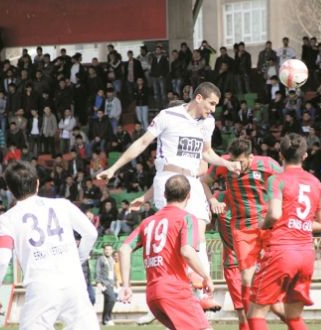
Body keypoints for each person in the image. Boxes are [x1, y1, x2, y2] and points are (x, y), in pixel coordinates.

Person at [97, 82, 241, 309]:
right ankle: (182, 291)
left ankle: (201, 291)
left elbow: (207, 153)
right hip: (169, 179)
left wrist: (226, 164)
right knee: (178, 235)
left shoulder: (208, 123)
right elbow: (142, 142)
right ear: (199, 98)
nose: (213, 109)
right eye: (211, 103)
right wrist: (114, 169)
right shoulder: (168, 115)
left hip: (193, 180)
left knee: (199, 231)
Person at [0, 161, 99, 330]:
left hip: (41, 286)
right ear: (37, 183)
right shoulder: (62, 205)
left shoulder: (7, 219)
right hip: (74, 283)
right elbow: (91, 233)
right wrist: (79, 258)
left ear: (10, 189)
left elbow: (2, 259)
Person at [247, 133, 321, 330]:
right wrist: (297, 223)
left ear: (281, 155)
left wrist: (262, 224)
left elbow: (274, 214)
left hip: (281, 251)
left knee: (255, 313)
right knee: (293, 317)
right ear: (305, 156)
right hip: (306, 254)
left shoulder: (277, 180)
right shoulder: (316, 184)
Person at [202, 138, 284, 321]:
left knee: (275, 288)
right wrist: (212, 201)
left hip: (267, 226)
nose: (236, 167)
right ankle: (253, 321)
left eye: (240, 162)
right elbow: (204, 181)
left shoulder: (267, 165)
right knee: (247, 280)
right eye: (233, 162)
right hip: (242, 228)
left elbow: (287, 182)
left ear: (251, 157)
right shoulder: (223, 165)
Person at [118, 175, 213, 330]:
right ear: (189, 195)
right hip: (174, 290)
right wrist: (206, 276)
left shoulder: (147, 222)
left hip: (153, 295)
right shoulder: (187, 218)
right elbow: (187, 251)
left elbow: (123, 249)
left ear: (164, 195)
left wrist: (126, 285)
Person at [96, 244, 118, 326]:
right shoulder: (101, 259)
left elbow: (114, 272)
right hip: (104, 283)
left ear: (112, 251)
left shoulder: (112, 259)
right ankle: (108, 318)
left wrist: (117, 282)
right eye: (106, 249)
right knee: (112, 299)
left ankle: (105, 320)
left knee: (107, 301)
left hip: (111, 283)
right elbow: (97, 271)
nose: (108, 251)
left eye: (109, 249)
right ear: (104, 250)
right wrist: (98, 282)